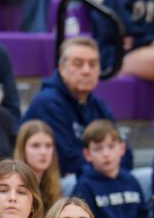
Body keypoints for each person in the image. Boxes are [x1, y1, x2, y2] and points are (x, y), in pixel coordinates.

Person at [21, 37, 129, 178]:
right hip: (55, 185)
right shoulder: (48, 103)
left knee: (144, 176)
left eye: (92, 64)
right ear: (62, 69)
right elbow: (65, 160)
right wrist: (107, 164)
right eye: (78, 64)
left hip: (97, 176)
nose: (86, 71)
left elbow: (125, 153)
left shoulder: (99, 106)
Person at [15, 120, 63, 210]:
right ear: (22, 149)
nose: (43, 152)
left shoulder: (55, 187)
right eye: (35, 145)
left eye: (48, 146)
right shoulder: (14, 186)